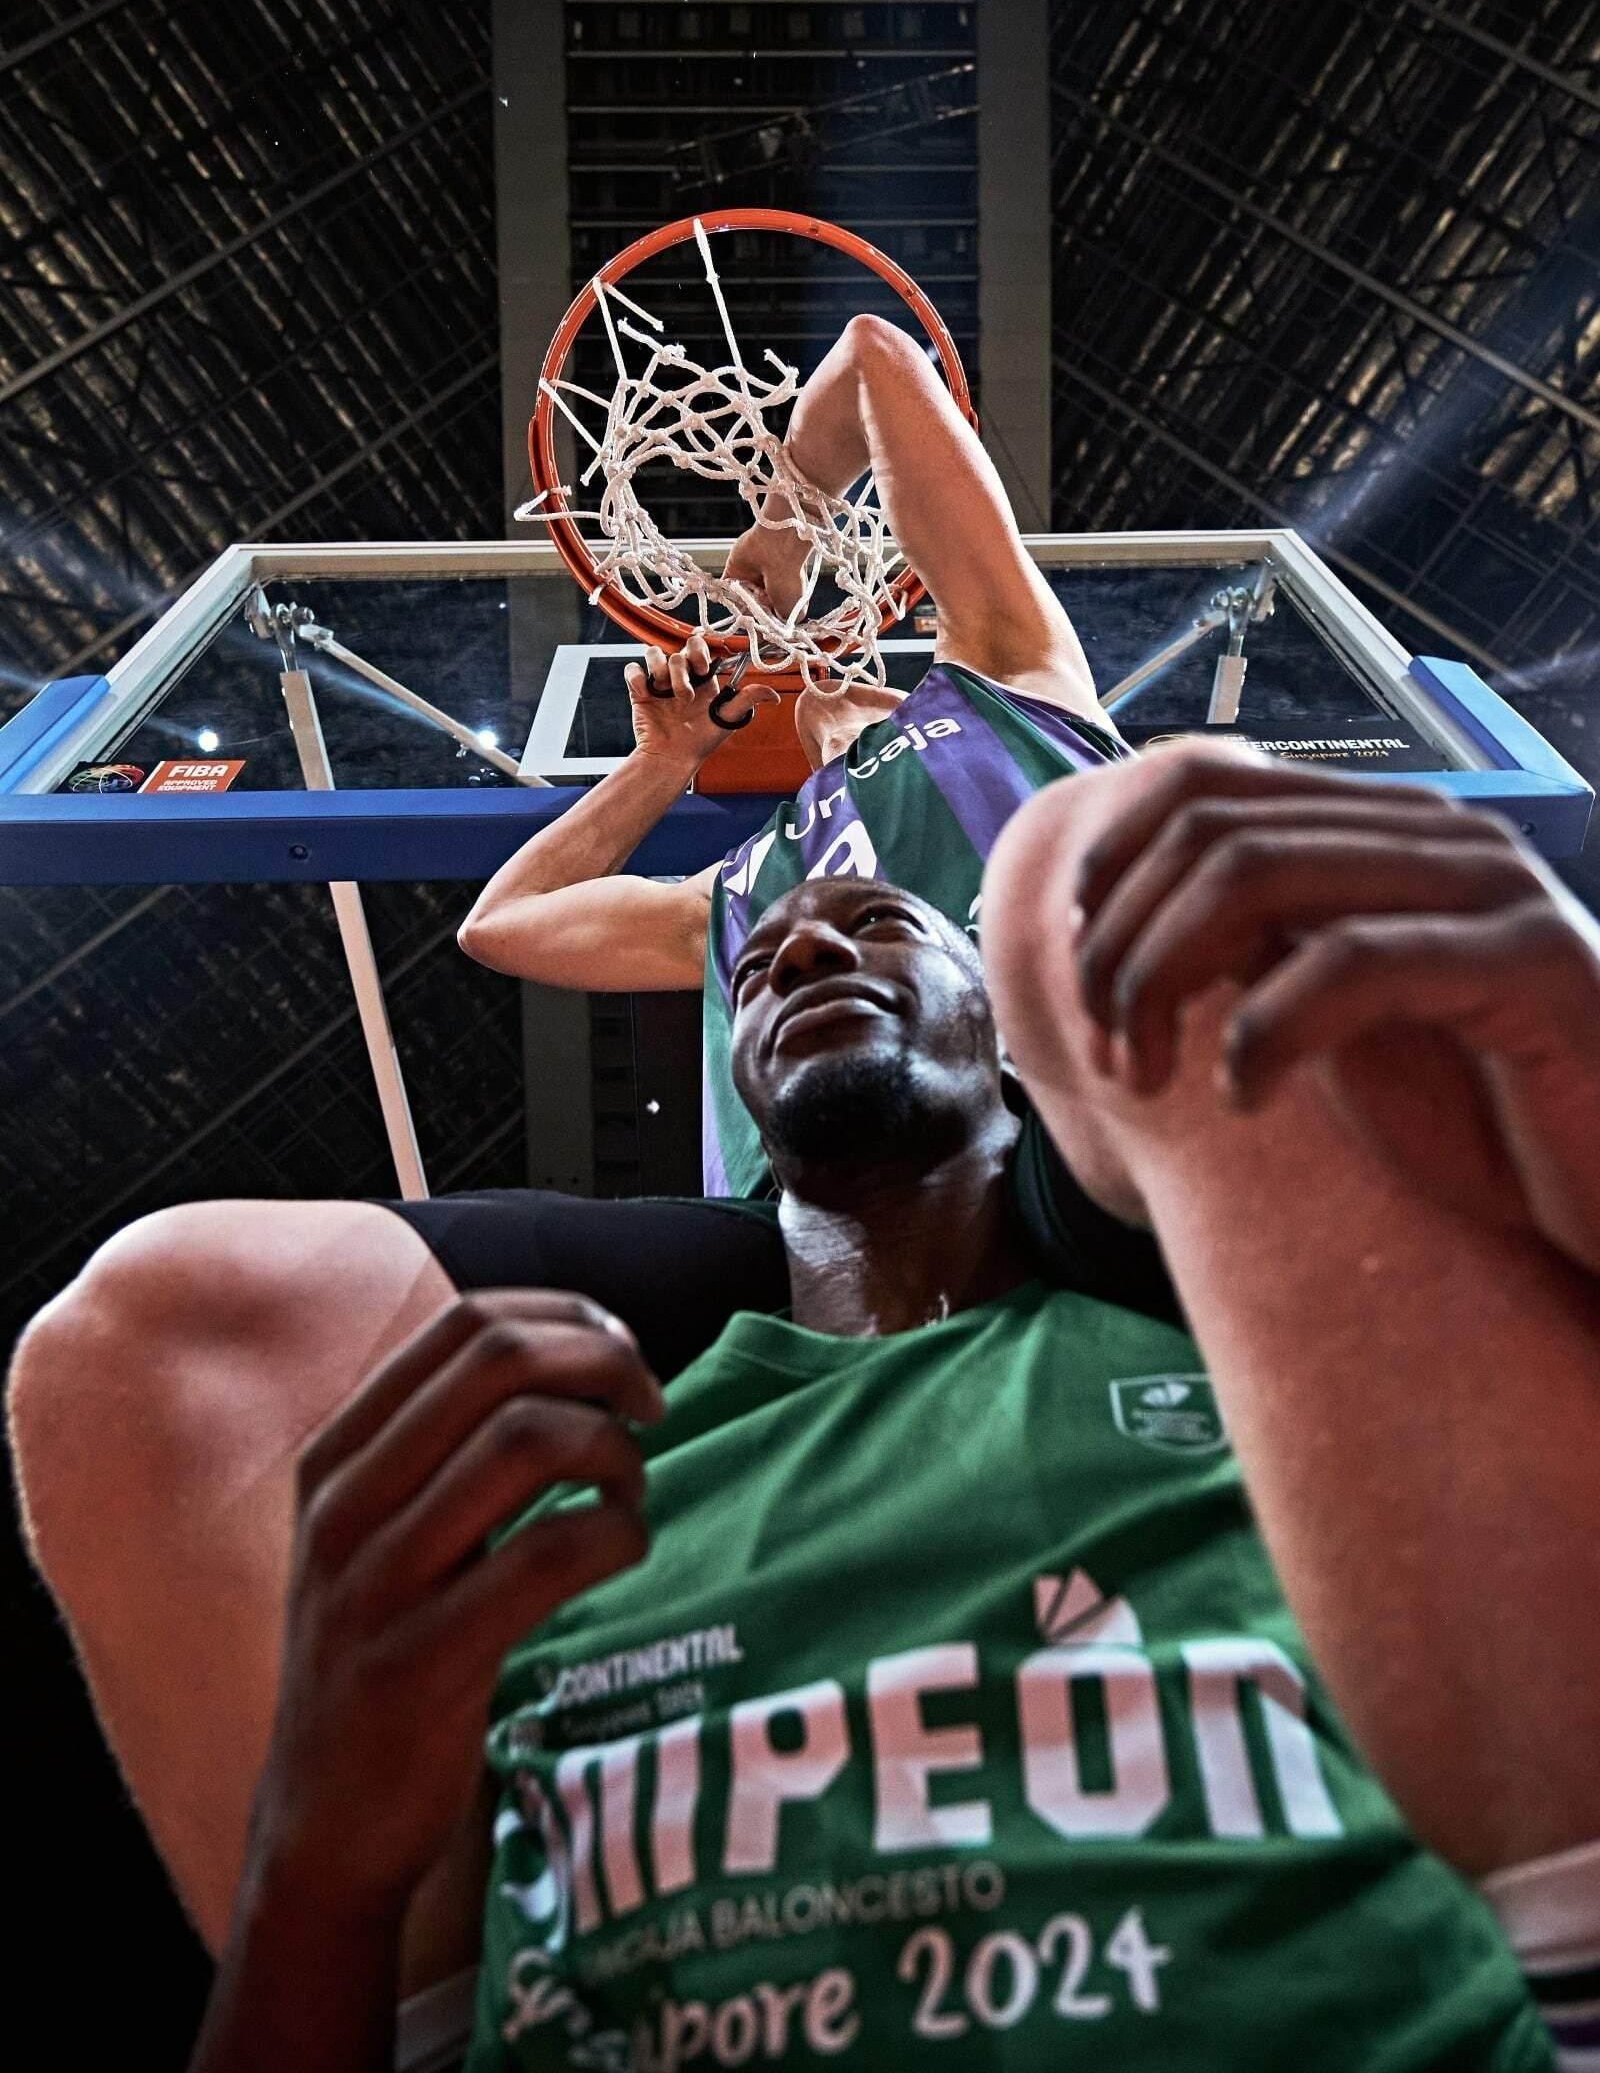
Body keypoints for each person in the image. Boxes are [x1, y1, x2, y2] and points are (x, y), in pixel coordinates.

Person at [23, 744, 1598, 2069]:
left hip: (1113, 1098)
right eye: (761, 966)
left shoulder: (986, 725)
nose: (806, 951)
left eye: (875, 925)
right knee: (130, 1337)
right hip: (768, 1295)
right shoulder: (570, 1504)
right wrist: (320, 1873)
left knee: (1099, 850)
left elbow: (880, 378)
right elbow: (510, 922)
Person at [457, 310, 1125, 1198]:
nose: (822, 663)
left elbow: (873, 356)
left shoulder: (1008, 676)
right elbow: (500, 925)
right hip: (821, 1243)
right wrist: (662, 763)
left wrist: (792, 520)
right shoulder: (741, 886)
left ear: (916, 677)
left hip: (1074, 1111)